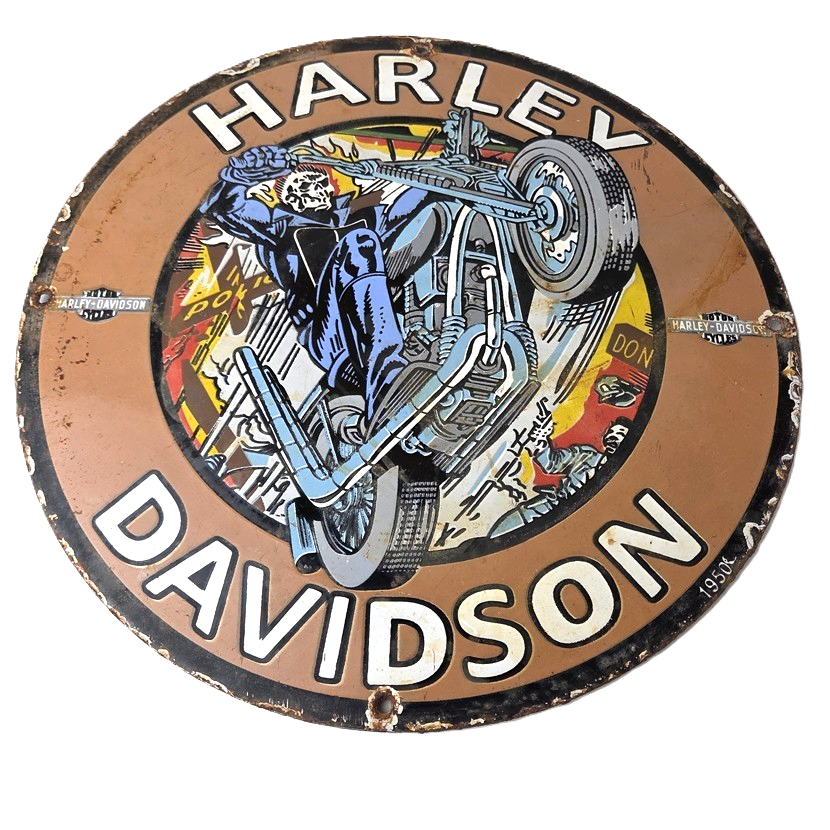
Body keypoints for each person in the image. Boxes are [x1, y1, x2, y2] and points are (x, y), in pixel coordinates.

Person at [199, 125, 472, 424]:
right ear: (289, 200)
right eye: (301, 188)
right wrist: (241, 177)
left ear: (330, 189)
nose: (313, 190)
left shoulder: (366, 219)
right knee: (358, 244)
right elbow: (228, 209)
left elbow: (415, 199)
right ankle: (388, 380)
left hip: (382, 321)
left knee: (440, 214)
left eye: (318, 183)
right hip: (330, 332)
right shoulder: (281, 229)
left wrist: (450, 165)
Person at [490, 418, 632, 537]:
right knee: (499, 533)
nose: (613, 436)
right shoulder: (586, 455)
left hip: (572, 528)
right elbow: (552, 462)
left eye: (620, 433)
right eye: (611, 432)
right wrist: (543, 442)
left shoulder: (625, 482)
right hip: (546, 508)